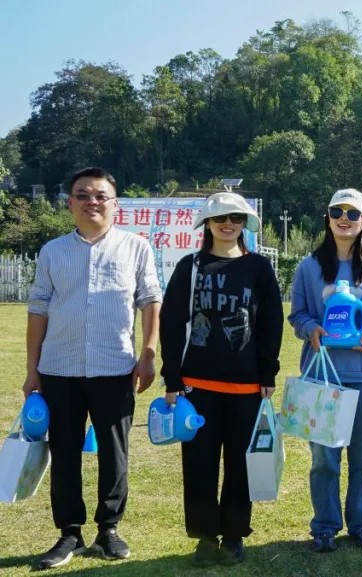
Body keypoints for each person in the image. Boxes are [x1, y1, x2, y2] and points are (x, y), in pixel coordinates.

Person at [24, 167, 162, 570]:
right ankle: (69, 532)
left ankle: (109, 529)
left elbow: (150, 300)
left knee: (115, 453)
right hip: (59, 368)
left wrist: (148, 352)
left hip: (115, 366)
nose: (92, 202)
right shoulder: (53, 252)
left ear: (115, 204)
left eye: (101, 195)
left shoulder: (136, 247)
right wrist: (32, 369)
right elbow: (38, 308)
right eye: (83, 195)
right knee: (64, 452)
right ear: (70, 204)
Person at [159, 192, 284, 565]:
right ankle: (204, 537)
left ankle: (233, 535)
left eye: (236, 218)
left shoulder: (258, 267)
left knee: (240, 465)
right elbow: (171, 321)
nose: (228, 224)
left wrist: (268, 372)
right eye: (220, 218)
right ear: (207, 224)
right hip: (197, 384)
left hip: (247, 385)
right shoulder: (191, 266)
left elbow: (271, 322)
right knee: (199, 464)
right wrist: (171, 377)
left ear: (245, 224)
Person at [288, 189, 362, 552]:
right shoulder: (309, 267)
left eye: (353, 213)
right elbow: (298, 313)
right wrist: (311, 329)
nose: (344, 219)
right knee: (324, 458)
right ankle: (324, 526)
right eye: (338, 211)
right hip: (322, 374)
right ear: (328, 218)